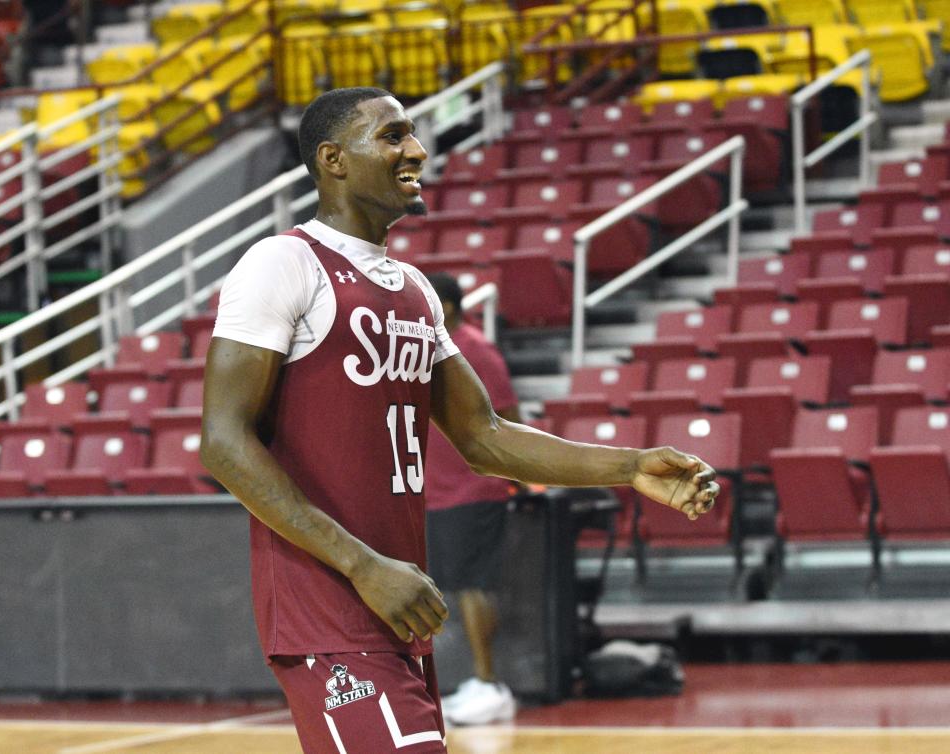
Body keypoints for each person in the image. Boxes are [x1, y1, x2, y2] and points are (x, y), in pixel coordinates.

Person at [200, 86, 719, 754]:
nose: (416, 149)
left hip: (397, 605)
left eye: (412, 134)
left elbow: (485, 436)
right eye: (392, 136)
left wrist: (630, 466)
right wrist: (362, 566)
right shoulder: (284, 263)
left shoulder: (415, 289)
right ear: (333, 159)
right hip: (330, 607)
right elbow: (223, 442)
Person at [423, 272, 519, 727]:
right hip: (437, 490)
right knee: (460, 587)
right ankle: (481, 683)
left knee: (475, 584)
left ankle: (490, 683)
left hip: (474, 488)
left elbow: (510, 419)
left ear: (450, 305)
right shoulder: (427, 352)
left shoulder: (475, 350)